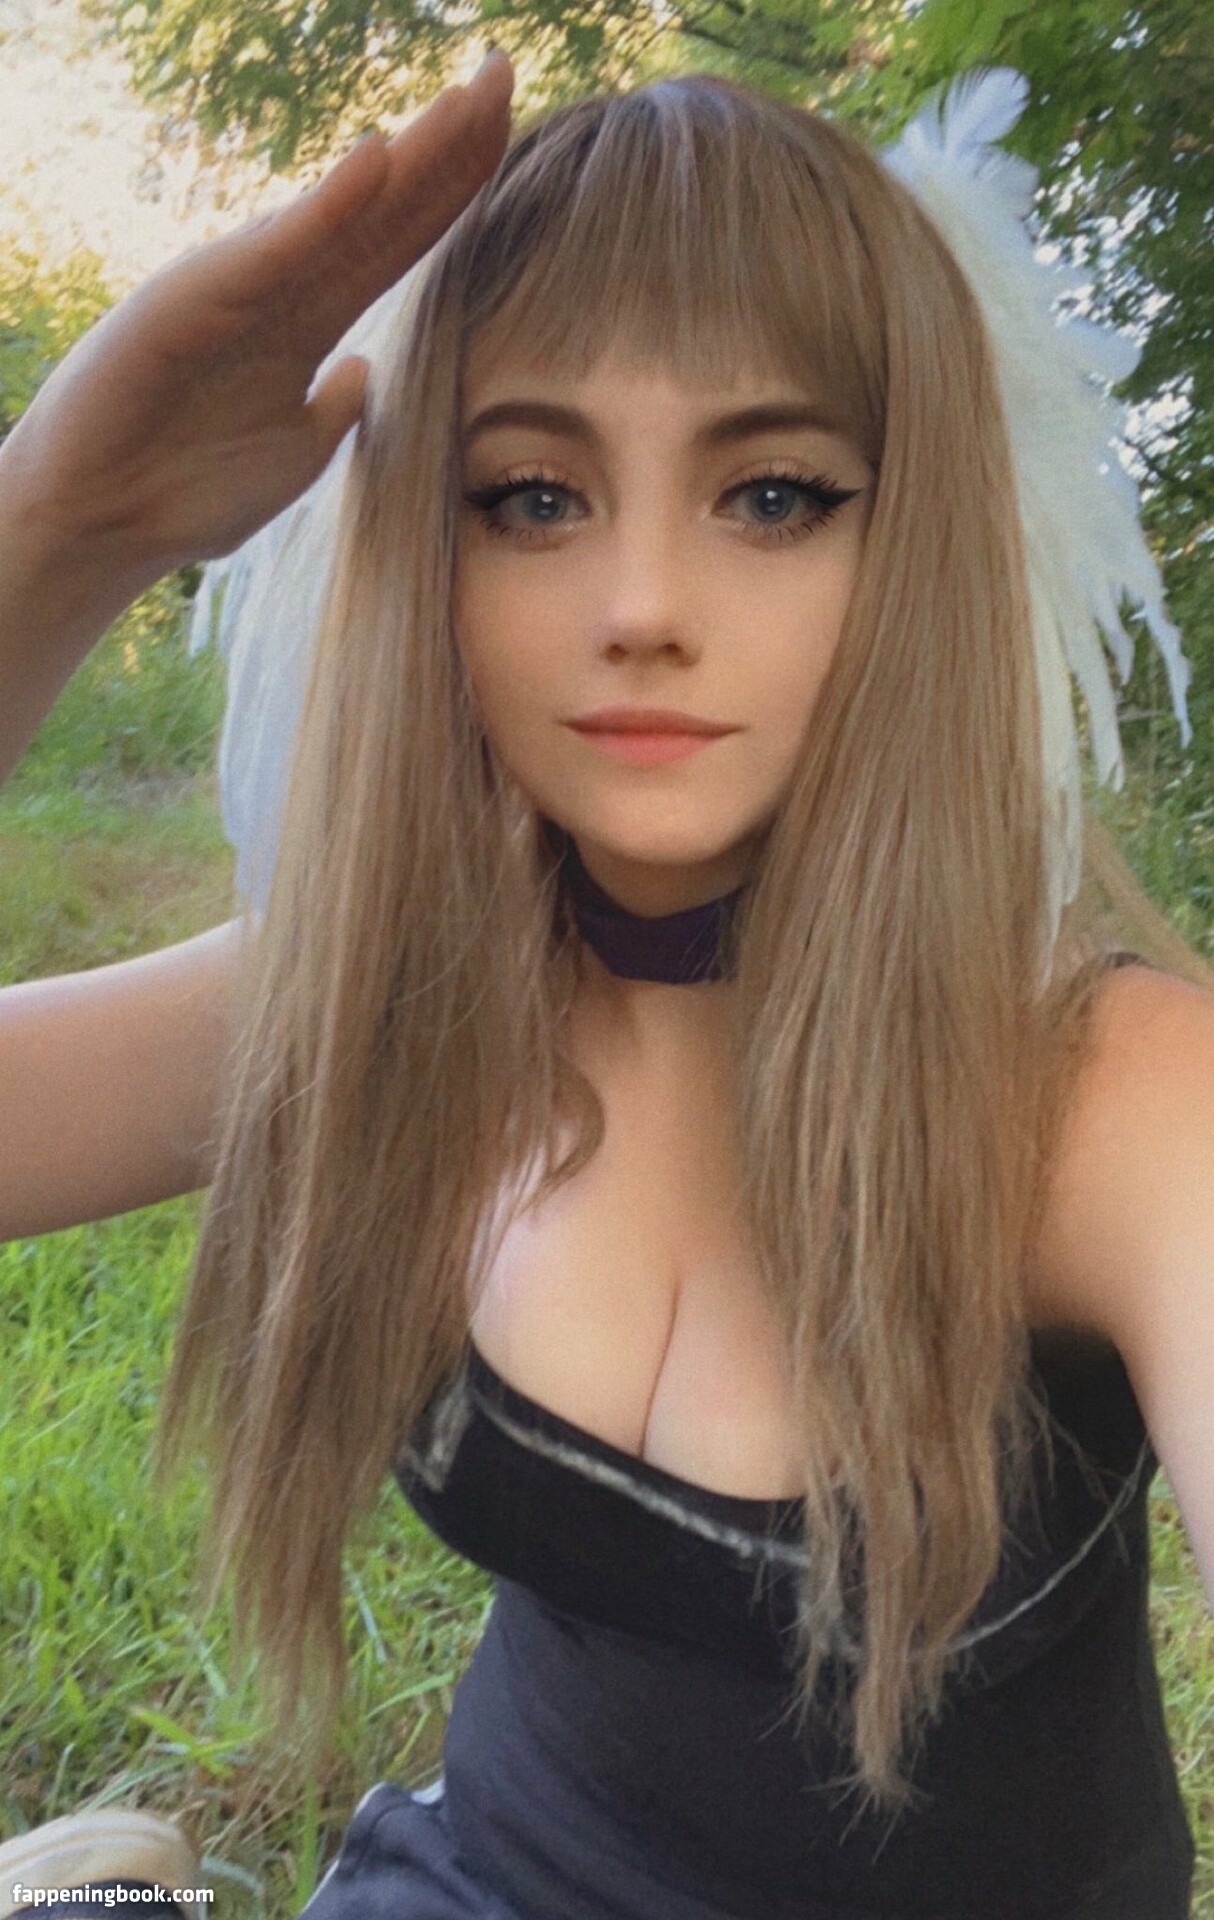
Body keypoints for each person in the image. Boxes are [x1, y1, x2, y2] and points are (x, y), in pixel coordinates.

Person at [0, 44, 1211, 1920]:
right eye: (531, 497)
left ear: (921, 540)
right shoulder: (372, 995)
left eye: (776, 493)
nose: (640, 602)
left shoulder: (1110, 1096)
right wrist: (63, 525)